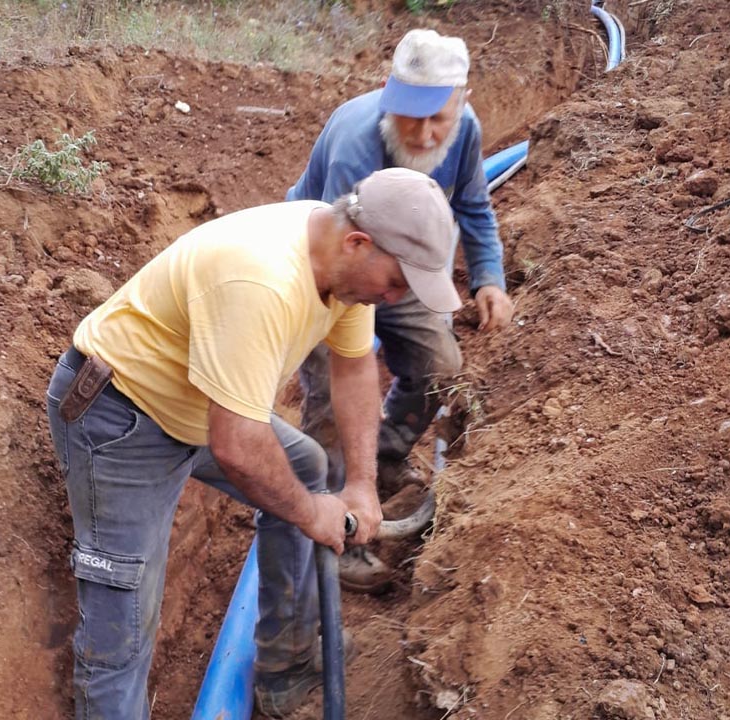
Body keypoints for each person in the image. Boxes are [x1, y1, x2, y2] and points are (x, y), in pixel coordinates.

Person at [46, 168, 460, 718]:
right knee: (122, 617)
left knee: (307, 465)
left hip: (196, 404)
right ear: (358, 243)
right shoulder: (263, 280)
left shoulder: (341, 266)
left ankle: (285, 669)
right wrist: (312, 511)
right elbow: (238, 444)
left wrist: (360, 483)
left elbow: (355, 367)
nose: (395, 296)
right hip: (122, 415)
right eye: (398, 282)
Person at [286, 28, 514, 593]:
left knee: (440, 365)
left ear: (461, 102)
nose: (425, 133)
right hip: (328, 271)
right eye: (412, 118)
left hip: (404, 267)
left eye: (439, 118)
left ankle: (382, 460)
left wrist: (488, 277)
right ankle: (338, 528)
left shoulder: (464, 133)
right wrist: (351, 362)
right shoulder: (357, 143)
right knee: (332, 404)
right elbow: (345, 261)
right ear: (390, 97)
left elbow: (475, 208)